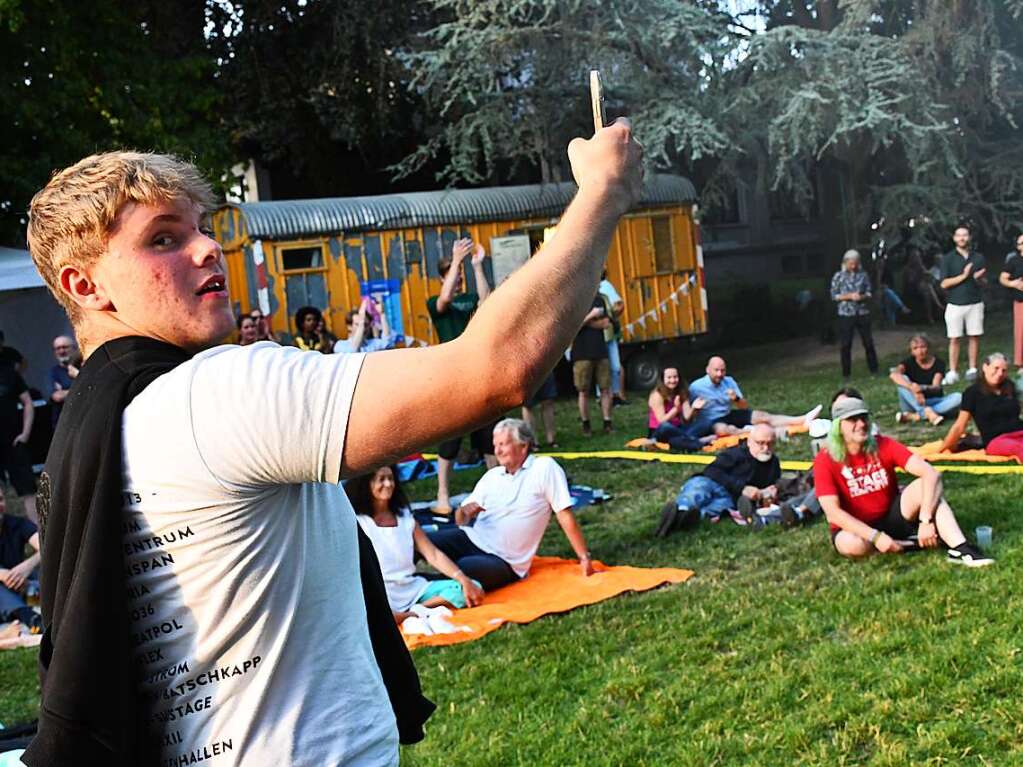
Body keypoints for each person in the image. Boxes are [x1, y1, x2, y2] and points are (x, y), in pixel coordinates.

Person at [24, 123, 641, 763]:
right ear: (84, 286)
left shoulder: (95, 425)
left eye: (202, 227)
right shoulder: (217, 393)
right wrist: (602, 191)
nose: (208, 248)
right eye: (163, 239)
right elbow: (495, 371)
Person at [815, 395, 992, 566]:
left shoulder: (882, 444)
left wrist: (925, 520)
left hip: (892, 515)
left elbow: (931, 474)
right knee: (852, 545)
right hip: (856, 528)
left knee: (927, 487)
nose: (861, 424)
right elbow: (833, 513)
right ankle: (907, 543)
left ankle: (960, 548)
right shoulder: (825, 459)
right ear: (838, 426)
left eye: (864, 418)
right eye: (853, 420)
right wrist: (875, 537)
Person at [427, 418, 593, 590]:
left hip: (504, 560)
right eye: (495, 445)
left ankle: (422, 585)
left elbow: (564, 513)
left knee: (464, 567)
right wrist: (464, 511)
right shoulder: (492, 476)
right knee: (420, 542)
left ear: (523, 446)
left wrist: (584, 557)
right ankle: (408, 584)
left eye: (503, 444)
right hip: (470, 538)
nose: (497, 451)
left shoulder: (544, 467)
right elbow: (460, 521)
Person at [348, 465, 483, 623]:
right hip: (380, 591)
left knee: (471, 586)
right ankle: (407, 615)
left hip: (411, 588)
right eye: (381, 479)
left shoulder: (405, 517)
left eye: (391, 478)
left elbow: (433, 554)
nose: (388, 484)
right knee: (368, 611)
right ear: (366, 484)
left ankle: (413, 612)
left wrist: (463, 580)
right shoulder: (358, 522)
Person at [427, 237, 495, 513]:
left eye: (458, 277)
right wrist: (456, 260)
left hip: (479, 375)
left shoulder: (468, 300)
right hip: (452, 379)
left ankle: (495, 492)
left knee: (489, 436)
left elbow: (487, 300)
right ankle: (442, 495)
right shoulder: (436, 304)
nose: (457, 282)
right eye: (452, 277)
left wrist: (477, 266)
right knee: (450, 439)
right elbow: (445, 299)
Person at [655, 423, 780, 536]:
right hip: (711, 483)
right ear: (749, 442)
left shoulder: (774, 464)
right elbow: (712, 471)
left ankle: (683, 520)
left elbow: (769, 489)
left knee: (714, 510)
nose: (765, 448)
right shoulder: (735, 454)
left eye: (770, 443)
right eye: (760, 443)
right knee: (697, 492)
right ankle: (679, 512)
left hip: (730, 500)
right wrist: (742, 488)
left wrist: (766, 494)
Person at [688, 356, 821, 437]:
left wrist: (736, 399)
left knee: (762, 416)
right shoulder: (696, 387)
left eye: (722, 370)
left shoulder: (728, 381)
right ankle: (762, 432)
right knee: (725, 430)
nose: (719, 374)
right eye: (716, 370)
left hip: (728, 414)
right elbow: (688, 416)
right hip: (711, 421)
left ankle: (802, 419)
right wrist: (696, 408)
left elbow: (744, 407)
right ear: (707, 370)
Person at [939, 352, 1023, 461]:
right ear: (985, 367)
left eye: (1004, 370)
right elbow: (959, 426)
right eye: (996, 368)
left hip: (1019, 433)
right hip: (996, 440)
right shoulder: (972, 393)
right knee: (1018, 449)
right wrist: (942, 449)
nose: (999, 373)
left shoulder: (1010, 387)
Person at [939, 225, 986, 384]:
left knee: (974, 336)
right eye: (959, 235)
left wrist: (979, 279)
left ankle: (972, 368)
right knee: (954, 338)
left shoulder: (978, 258)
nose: (962, 238)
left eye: (965, 235)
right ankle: (953, 371)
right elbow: (944, 283)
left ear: (969, 237)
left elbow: (984, 283)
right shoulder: (948, 258)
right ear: (954, 238)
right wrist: (964, 276)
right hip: (955, 303)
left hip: (975, 302)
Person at [890, 334, 961, 425]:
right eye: (915, 348)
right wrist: (912, 388)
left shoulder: (938, 363)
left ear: (928, 348)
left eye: (922, 347)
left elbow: (936, 387)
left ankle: (917, 415)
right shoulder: (907, 363)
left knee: (958, 397)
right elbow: (894, 375)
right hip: (912, 402)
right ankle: (925, 412)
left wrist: (921, 388)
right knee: (902, 380)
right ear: (911, 351)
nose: (920, 351)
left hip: (932, 401)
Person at [830, 249, 878, 379]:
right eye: (851, 263)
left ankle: (874, 370)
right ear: (845, 263)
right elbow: (834, 296)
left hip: (862, 312)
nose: (854, 266)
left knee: (868, 342)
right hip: (846, 313)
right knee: (846, 344)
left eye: (856, 263)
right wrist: (849, 296)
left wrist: (861, 297)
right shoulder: (838, 276)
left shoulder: (863, 275)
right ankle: (846, 374)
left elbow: (869, 292)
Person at [0, 353, 36, 525]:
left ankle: (40, 534)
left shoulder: (9, 373)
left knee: (28, 489)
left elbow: (28, 402)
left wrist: (25, 433)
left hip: (14, 441)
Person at [0, 486, 42, 632]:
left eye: (0, 500)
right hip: (4, 590)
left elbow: (46, 547)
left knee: (45, 576)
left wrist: (25, 568)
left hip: (22, 583)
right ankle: (31, 618)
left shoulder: (16, 523)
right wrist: (3, 574)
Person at [572, 294, 613, 435]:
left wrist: (585, 322)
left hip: (600, 351)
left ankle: (607, 422)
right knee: (583, 391)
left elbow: (606, 323)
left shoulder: (599, 299)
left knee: (605, 388)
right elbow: (573, 326)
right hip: (581, 353)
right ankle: (586, 424)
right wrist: (592, 316)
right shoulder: (575, 301)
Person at [646, 366, 711, 451]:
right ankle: (696, 440)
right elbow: (661, 420)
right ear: (663, 379)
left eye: (675, 377)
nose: (673, 380)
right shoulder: (657, 395)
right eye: (669, 378)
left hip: (678, 428)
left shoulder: (682, 392)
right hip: (660, 430)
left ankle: (690, 440)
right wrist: (676, 409)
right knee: (666, 426)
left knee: (706, 422)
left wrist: (695, 408)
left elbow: (687, 418)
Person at [599, 271, 627, 406]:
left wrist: (612, 315)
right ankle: (601, 396)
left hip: (609, 333)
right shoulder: (588, 289)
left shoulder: (605, 286)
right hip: (597, 335)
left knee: (615, 366)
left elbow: (619, 304)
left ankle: (616, 394)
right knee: (601, 367)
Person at [998, 233, 1023, 371]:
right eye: (1022, 243)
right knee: (1021, 333)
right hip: (1021, 302)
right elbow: (1003, 278)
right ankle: (1021, 363)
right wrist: (1013, 284)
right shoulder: (1013, 261)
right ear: (1018, 247)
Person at [45, 335, 80, 425]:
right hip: (62, 424)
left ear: (75, 348)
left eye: (65, 347)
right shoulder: (53, 372)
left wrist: (77, 375)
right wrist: (81, 389)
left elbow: (95, 389)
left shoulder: (84, 368)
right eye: (57, 348)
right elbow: (57, 397)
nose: (61, 351)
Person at [522, 373, 558, 449]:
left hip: (545, 367)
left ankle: (551, 439)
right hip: (526, 369)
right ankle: (533, 441)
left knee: (548, 401)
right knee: (528, 405)